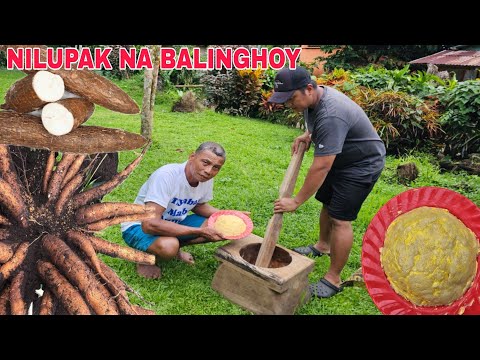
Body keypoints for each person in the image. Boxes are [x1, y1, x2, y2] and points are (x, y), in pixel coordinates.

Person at [268, 66, 386, 299]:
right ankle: (323, 245)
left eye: (291, 98)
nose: (289, 104)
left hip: (361, 165)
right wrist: (308, 134)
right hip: (341, 157)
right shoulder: (312, 100)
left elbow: (321, 166)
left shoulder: (332, 113)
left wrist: (296, 201)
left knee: (340, 218)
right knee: (327, 204)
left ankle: (333, 278)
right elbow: (319, 127)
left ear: (309, 88)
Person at [121, 142, 244, 279]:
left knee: (219, 226)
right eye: (205, 162)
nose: (209, 171)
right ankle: (143, 257)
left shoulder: (204, 178)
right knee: (169, 246)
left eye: (216, 167)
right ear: (192, 156)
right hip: (137, 226)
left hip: (171, 223)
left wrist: (229, 215)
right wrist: (198, 231)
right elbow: (149, 225)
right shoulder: (166, 175)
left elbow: (198, 205)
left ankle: (175, 248)